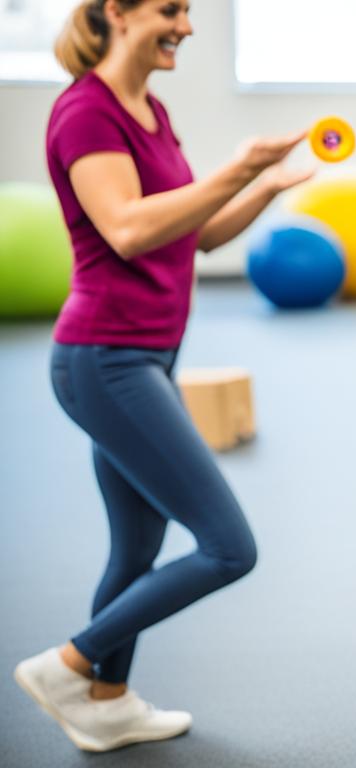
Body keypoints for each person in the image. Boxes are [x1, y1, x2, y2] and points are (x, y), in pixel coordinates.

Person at [13, 0, 312, 751]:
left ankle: (106, 701)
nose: (187, 24)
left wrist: (263, 189)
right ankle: (69, 665)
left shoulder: (150, 109)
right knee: (227, 547)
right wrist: (237, 165)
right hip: (103, 359)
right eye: (171, 9)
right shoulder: (85, 113)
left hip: (144, 356)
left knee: (136, 549)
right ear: (115, 11)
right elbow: (129, 227)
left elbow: (195, 232)